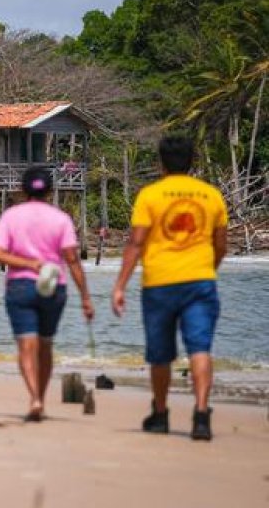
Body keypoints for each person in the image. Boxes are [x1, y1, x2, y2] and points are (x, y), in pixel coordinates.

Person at [112, 135, 227, 441]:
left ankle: (161, 414)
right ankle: (201, 415)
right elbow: (221, 245)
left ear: (160, 162)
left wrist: (120, 286)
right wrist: (207, 270)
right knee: (200, 348)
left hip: (159, 283)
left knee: (160, 354)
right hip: (201, 282)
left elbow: (136, 243)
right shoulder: (211, 195)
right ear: (192, 161)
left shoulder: (150, 195)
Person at [0, 166, 95, 421]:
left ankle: (34, 398)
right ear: (50, 190)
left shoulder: (11, 216)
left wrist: (27, 264)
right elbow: (72, 260)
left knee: (26, 345)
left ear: (23, 189)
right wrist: (86, 298)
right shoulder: (61, 219)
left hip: (20, 285)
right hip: (53, 286)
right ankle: (41, 398)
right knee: (45, 345)